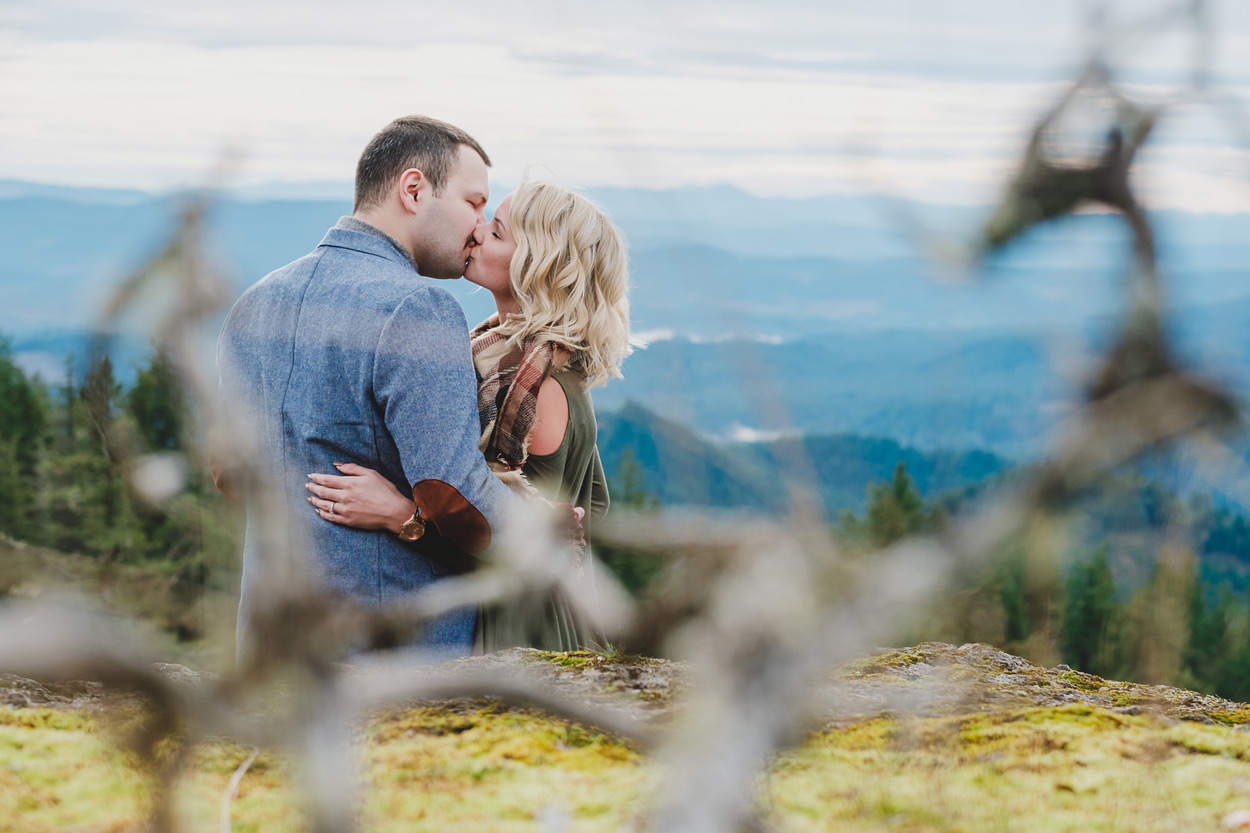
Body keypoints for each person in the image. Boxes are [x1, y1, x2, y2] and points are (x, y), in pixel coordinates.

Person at [214, 116, 579, 662]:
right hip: (392, 657)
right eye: (473, 203)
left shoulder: (254, 303)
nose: (479, 226)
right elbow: (455, 497)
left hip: (269, 647)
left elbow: (229, 476)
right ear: (414, 190)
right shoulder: (417, 309)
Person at [303, 180, 633, 652]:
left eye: (496, 232)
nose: (476, 232)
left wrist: (402, 515)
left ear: (537, 268)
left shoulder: (538, 387)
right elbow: (587, 506)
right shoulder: (512, 356)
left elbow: (522, 543)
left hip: (518, 633)